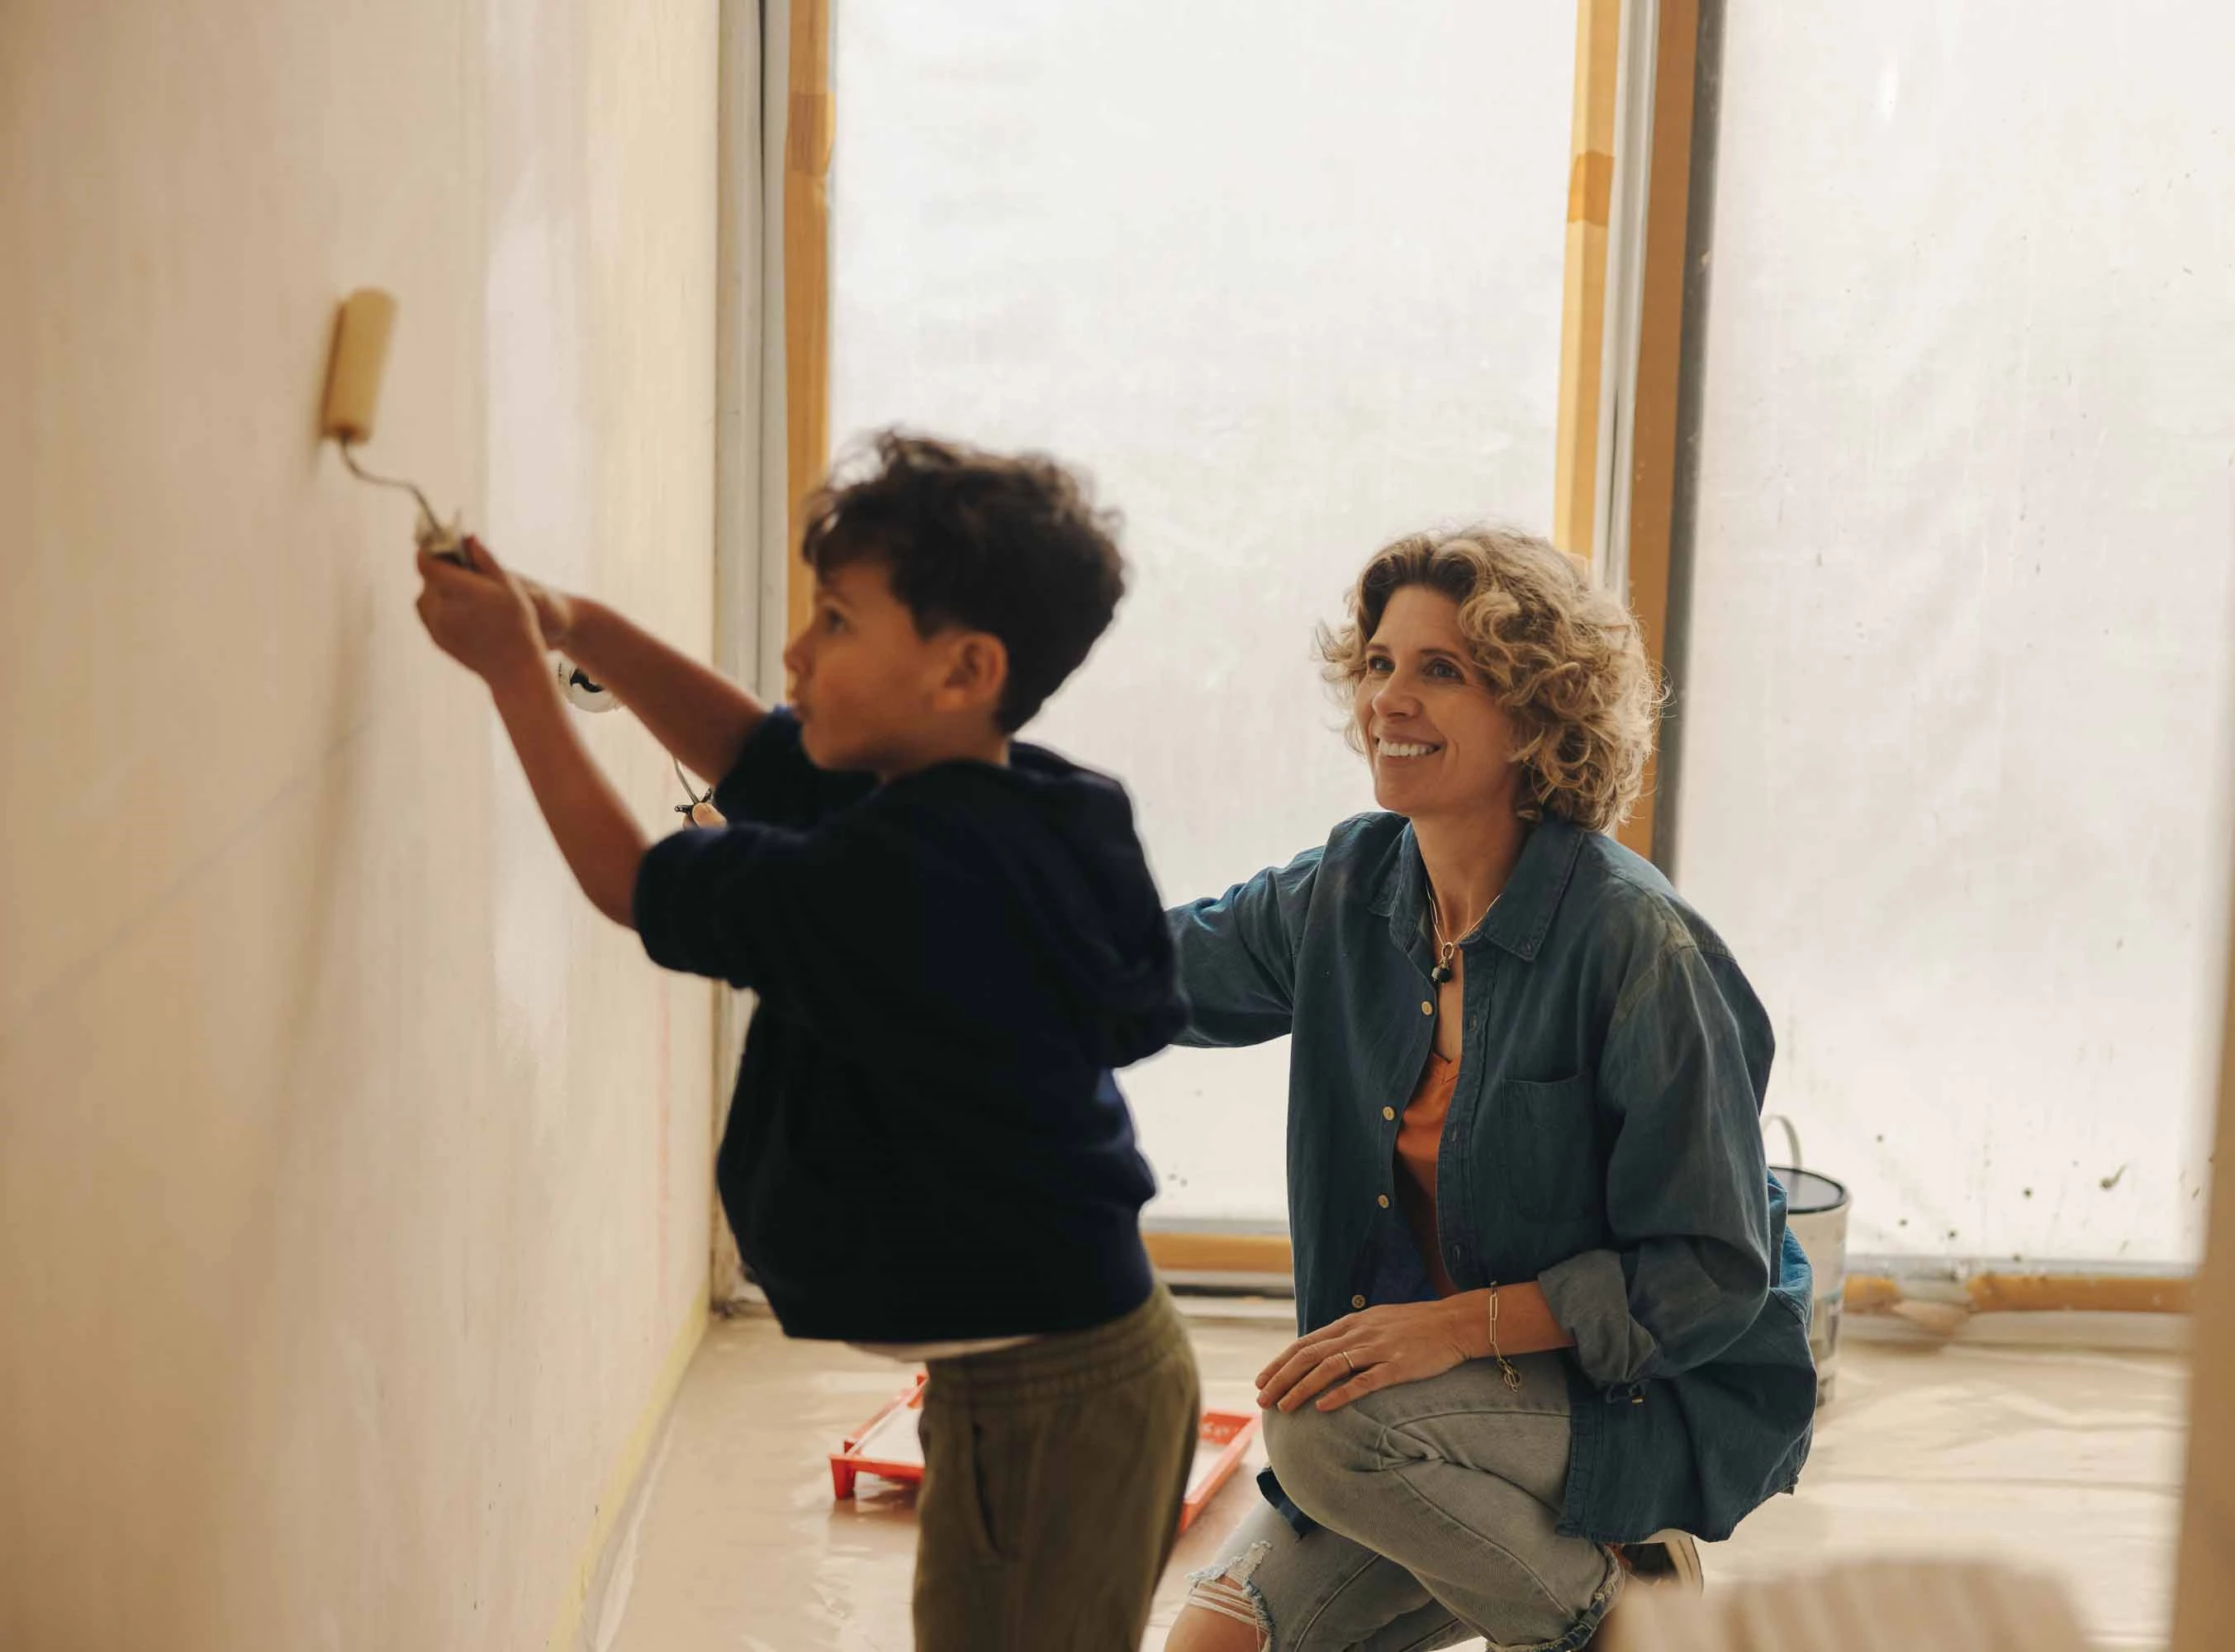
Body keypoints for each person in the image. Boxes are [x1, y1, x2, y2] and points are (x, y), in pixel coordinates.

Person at [412, 431, 1202, 1652]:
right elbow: (757, 753)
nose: (796, 650)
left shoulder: (897, 878)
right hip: (1069, 1370)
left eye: (835, 620)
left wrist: (518, 673)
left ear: (962, 670)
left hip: (1047, 1399)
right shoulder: (1025, 800)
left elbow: (635, 884)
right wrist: (572, 621)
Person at [1161, 527, 1815, 1652]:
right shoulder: (1348, 890)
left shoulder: (1636, 941)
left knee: (1322, 1433)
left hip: (1622, 1395)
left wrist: (1457, 1328)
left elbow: (1711, 1274)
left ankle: (1614, 1619)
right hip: (1423, 1415)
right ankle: (1572, 1563)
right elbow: (1132, 968)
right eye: (1379, 664)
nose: (1390, 700)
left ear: (1534, 713)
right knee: (1215, 1644)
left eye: (1441, 671)